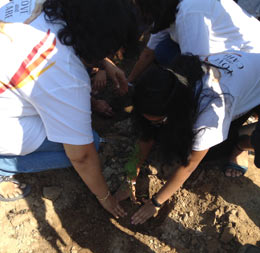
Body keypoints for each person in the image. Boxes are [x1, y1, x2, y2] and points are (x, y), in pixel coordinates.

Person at [0, 0, 138, 219]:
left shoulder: (49, 6)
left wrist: (105, 63)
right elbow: (81, 156)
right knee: (87, 144)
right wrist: (105, 198)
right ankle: (3, 167)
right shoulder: (66, 74)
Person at [115, 51, 260, 224]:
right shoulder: (168, 80)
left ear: (178, 111)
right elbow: (148, 132)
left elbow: (190, 164)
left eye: (160, 120)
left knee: (212, 154)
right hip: (244, 78)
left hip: (251, 92)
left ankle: (243, 140)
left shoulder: (212, 111)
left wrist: (155, 203)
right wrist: (131, 175)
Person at [128, 0, 260, 81]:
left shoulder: (189, 13)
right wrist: (129, 81)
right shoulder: (169, 8)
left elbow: (196, 66)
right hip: (218, 43)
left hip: (246, 56)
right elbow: (148, 52)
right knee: (163, 50)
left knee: (182, 65)